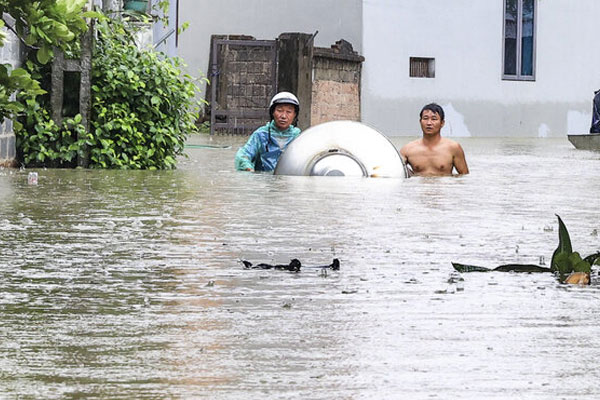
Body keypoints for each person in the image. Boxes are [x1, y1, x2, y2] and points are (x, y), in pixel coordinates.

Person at [234, 92, 301, 172]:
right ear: (272, 113)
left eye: (289, 112)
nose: (283, 116)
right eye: (279, 110)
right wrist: (249, 169)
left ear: (294, 115)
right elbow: (243, 155)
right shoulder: (261, 135)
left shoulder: (298, 137)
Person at [400, 103, 469, 176]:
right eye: (425, 118)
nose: (429, 123)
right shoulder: (408, 149)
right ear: (420, 121)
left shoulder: (453, 148)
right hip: (419, 187)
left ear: (442, 123)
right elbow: (395, 170)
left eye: (434, 119)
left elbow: (464, 177)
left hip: (443, 187)